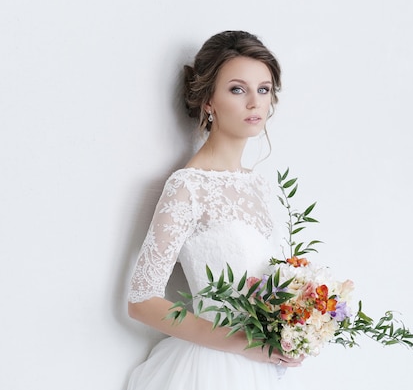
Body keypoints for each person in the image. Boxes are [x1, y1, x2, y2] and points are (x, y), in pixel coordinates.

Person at [126, 30, 304, 390]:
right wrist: (244, 345)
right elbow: (142, 301)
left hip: (261, 371)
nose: (255, 102)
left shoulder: (258, 184)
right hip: (212, 371)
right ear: (209, 101)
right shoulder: (187, 186)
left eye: (264, 89)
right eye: (237, 89)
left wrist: (298, 325)